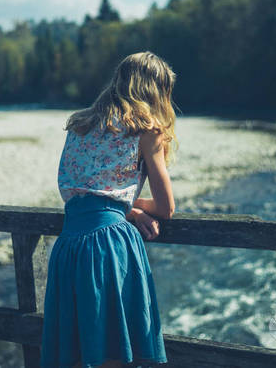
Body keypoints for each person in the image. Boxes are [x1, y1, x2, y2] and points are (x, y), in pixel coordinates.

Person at [40, 51, 177, 367]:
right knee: (111, 355)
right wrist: (128, 207)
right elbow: (167, 207)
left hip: (68, 247)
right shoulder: (148, 129)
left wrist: (124, 207)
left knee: (77, 355)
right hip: (106, 247)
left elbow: (87, 192)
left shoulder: (81, 124)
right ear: (156, 91)